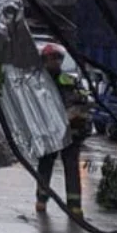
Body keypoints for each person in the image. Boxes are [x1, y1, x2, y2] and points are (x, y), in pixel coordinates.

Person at [36, 43, 90, 216]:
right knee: (45, 166)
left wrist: (75, 117)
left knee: (71, 168)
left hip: (70, 133)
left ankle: (74, 206)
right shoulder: (37, 82)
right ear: (44, 60)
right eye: (51, 59)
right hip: (49, 133)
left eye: (58, 58)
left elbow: (83, 103)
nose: (55, 62)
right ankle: (41, 199)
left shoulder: (69, 80)